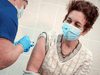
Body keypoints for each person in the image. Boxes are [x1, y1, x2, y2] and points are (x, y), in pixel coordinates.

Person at [24, 0, 99, 75]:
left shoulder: (86, 57)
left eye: (77, 25)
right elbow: (31, 72)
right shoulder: (47, 39)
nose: (70, 26)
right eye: (69, 21)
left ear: (85, 31)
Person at [0, 0, 34, 70]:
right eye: (23, 7)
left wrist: (12, 47)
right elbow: (2, 61)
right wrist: (21, 46)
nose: (22, 11)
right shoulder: (9, 13)